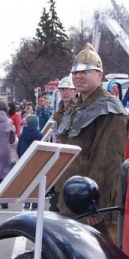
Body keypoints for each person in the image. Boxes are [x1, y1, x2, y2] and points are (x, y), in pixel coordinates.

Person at [54, 43, 129, 244]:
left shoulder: (109, 108)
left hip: (90, 205)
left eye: (85, 71)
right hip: (69, 199)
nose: (78, 76)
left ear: (99, 75)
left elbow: (108, 162)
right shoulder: (75, 107)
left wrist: (95, 205)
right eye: (75, 72)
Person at [49, 75, 79, 211]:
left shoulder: (79, 111)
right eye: (62, 89)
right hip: (58, 160)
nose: (65, 92)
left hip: (73, 161)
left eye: (68, 89)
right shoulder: (59, 111)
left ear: (75, 91)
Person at [17, 114, 43, 210]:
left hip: (25, 160)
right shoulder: (39, 135)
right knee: (36, 181)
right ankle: (35, 201)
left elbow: (19, 149)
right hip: (36, 161)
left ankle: (27, 202)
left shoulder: (22, 135)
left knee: (26, 181)